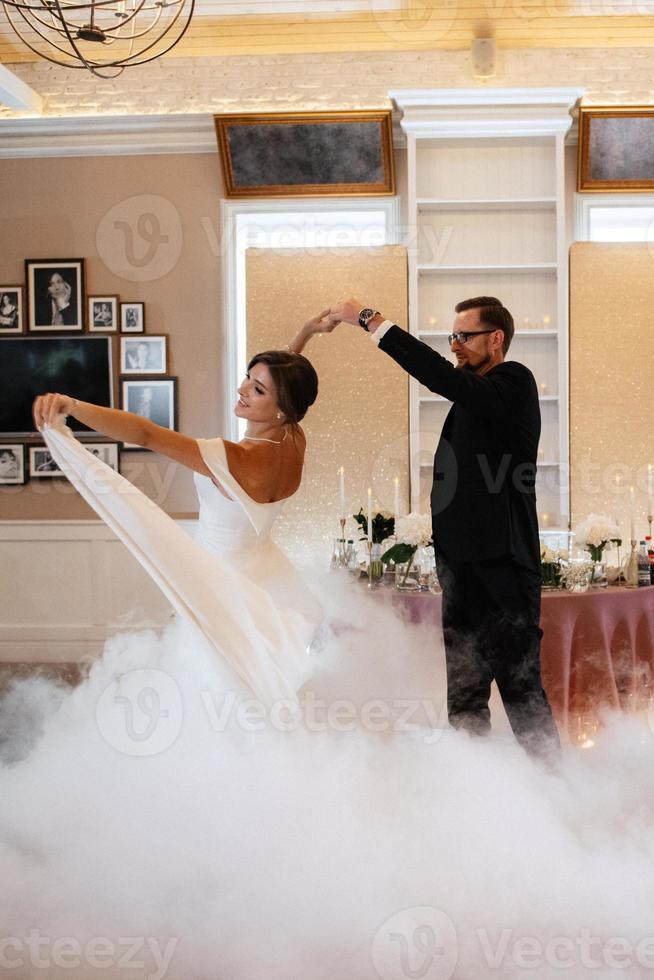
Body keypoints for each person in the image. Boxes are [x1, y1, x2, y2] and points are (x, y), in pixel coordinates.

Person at [32, 310, 334, 704]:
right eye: (249, 376)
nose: (243, 388)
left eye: (257, 389)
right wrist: (305, 333)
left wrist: (72, 405)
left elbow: (145, 432)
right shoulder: (294, 439)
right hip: (266, 576)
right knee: (255, 681)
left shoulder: (231, 458)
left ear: (279, 409)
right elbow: (284, 386)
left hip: (220, 581)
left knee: (212, 684)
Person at [328, 297, 561, 762]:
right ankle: (471, 788)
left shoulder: (513, 381)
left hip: (503, 565)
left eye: (464, 336)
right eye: (451, 337)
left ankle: (556, 794)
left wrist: (371, 320)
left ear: (496, 339)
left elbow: (442, 377)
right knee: (464, 691)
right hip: (461, 567)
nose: (455, 346)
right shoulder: (476, 395)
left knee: (519, 688)